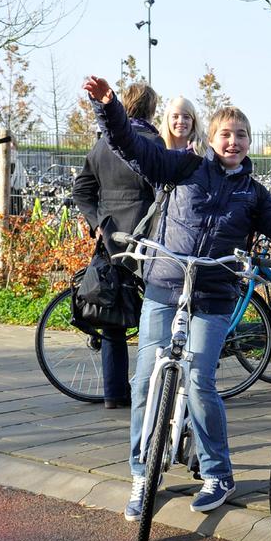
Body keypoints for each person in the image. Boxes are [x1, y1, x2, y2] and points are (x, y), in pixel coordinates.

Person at [83, 75, 271, 520]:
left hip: (214, 294)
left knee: (199, 380)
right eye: (225, 134)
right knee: (144, 383)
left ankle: (218, 473)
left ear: (249, 142)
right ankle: (143, 473)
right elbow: (134, 149)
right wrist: (109, 107)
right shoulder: (185, 167)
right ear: (211, 137)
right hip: (165, 285)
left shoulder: (252, 193)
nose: (233, 141)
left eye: (241, 135)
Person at [72, 81, 163, 409]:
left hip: (111, 240)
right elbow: (163, 192)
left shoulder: (101, 146)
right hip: (147, 240)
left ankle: (114, 394)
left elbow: (81, 190)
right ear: (152, 109)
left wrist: (97, 223)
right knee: (156, 313)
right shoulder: (153, 142)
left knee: (111, 318)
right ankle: (152, 394)